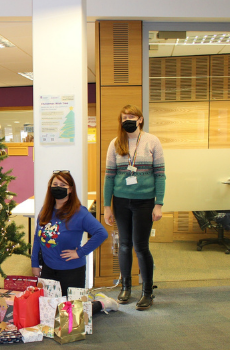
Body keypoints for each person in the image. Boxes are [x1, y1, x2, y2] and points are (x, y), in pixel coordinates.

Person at [102, 105, 165, 310]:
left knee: (141, 246)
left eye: (131, 116)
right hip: (120, 201)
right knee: (124, 245)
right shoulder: (115, 143)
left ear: (140, 119)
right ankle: (126, 287)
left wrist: (159, 204)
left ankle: (147, 292)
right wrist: (107, 207)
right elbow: (109, 177)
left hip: (145, 201)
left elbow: (160, 175)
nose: (127, 120)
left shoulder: (152, 141)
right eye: (124, 117)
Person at [31, 170, 117, 313]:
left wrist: (80, 252)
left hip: (71, 271)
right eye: (55, 184)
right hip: (48, 270)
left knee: (73, 314)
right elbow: (37, 238)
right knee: (49, 313)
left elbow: (101, 233)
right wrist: (34, 264)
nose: (58, 187)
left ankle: (102, 303)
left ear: (70, 189)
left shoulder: (79, 212)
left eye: (62, 185)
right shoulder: (45, 210)